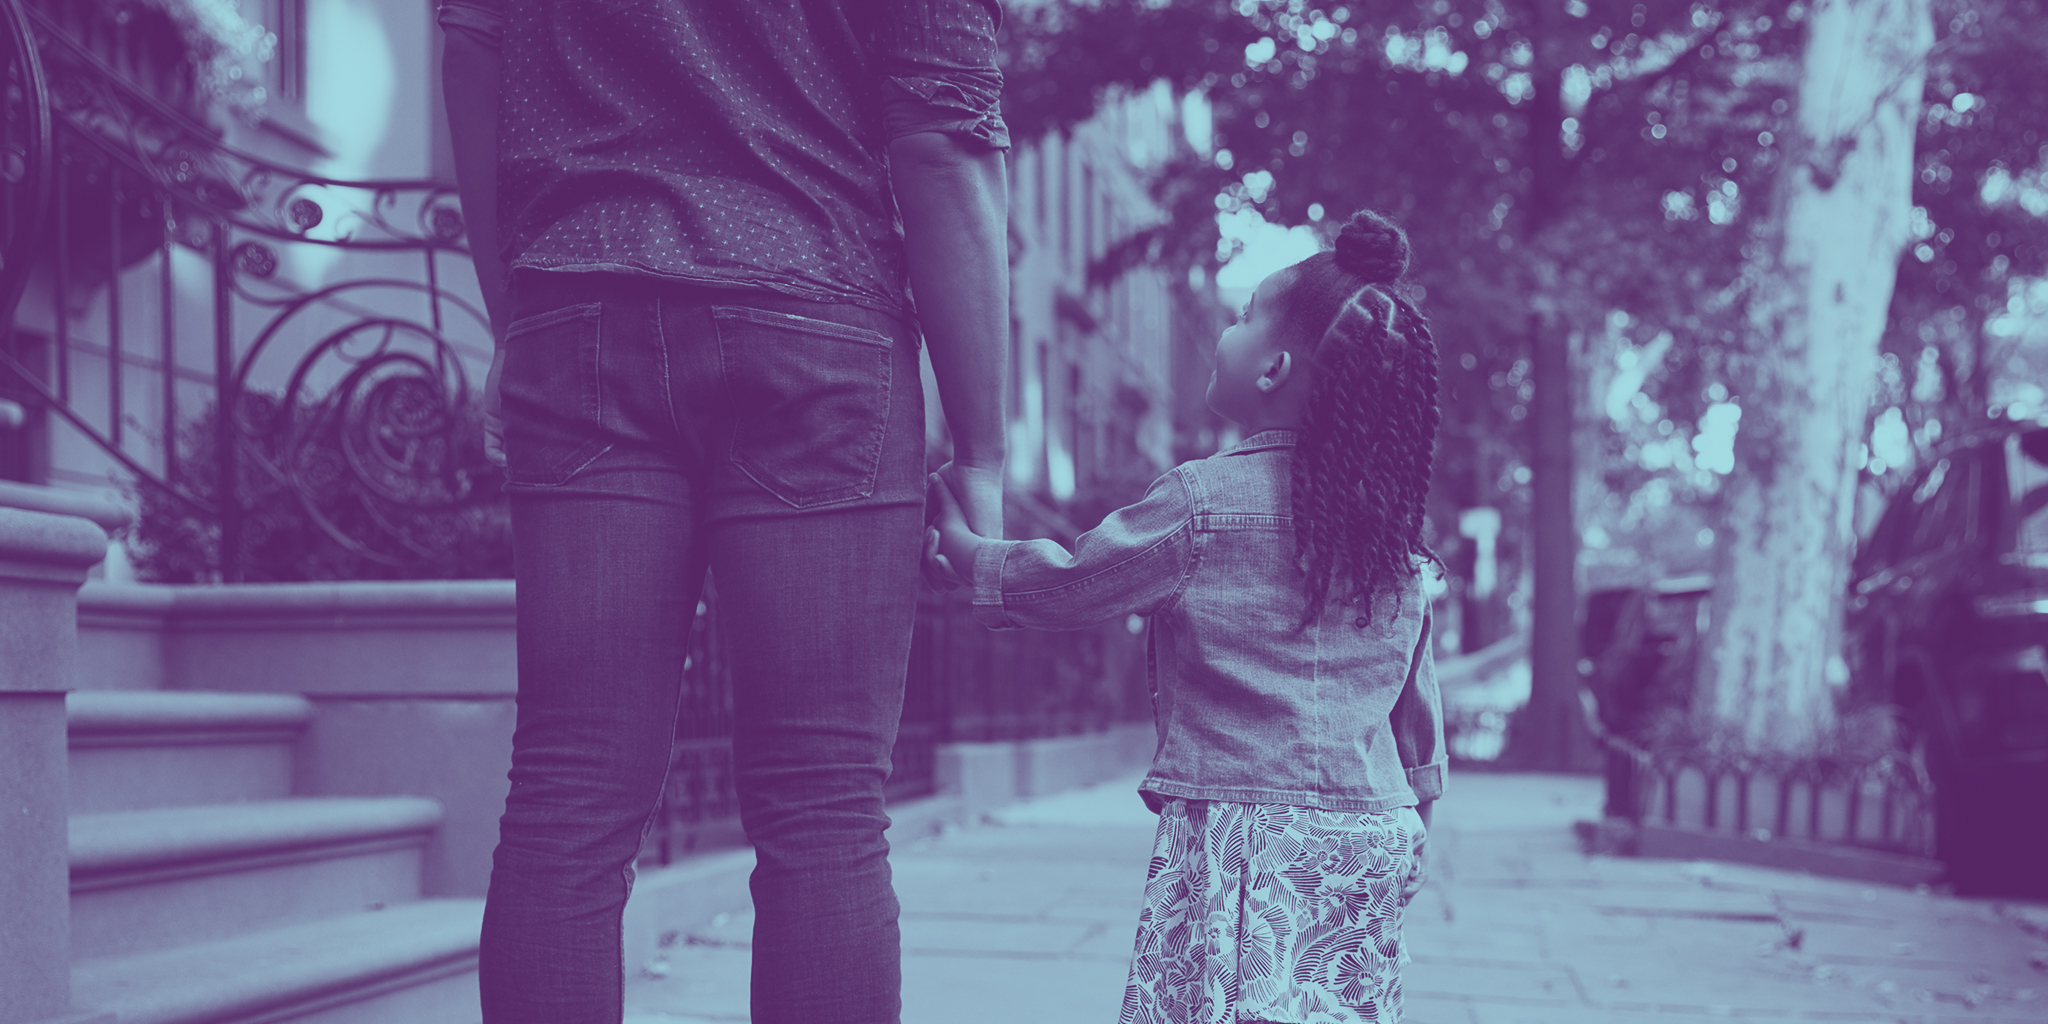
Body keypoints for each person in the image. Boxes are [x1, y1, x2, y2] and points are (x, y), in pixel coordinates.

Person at [434, 2, 1011, 1022]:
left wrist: (515, 321)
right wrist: (984, 450)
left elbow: (473, 55)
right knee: (824, 807)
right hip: (817, 318)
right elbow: (941, 147)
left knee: (568, 796)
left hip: (583, 304)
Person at [928, 209, 1449, 1024]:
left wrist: (967, 551)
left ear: (1274, 368)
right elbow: (1413, 693)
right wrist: (1418, 806)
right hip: (1373, 829)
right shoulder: (1391, 539)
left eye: (1242, 317)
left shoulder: (1201, 502)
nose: (1226, 329)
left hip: (1246, 828)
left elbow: (1074, 582)